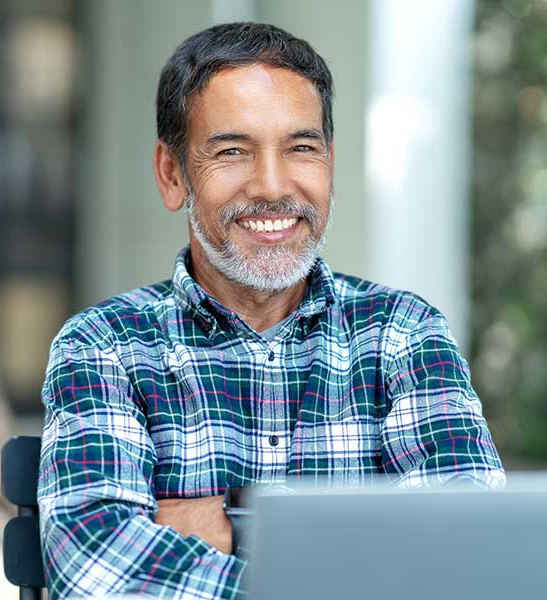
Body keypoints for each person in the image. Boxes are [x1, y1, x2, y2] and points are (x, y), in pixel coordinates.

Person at [37, 22, 505, 600]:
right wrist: (356, 569)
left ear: (329, 164)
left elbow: (469, 557)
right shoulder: (104, 345)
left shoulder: (402, 335)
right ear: (172, 173)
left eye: (301, 148)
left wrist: (229, 528)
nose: (272, 185)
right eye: (232, 151)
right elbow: (99, 570)